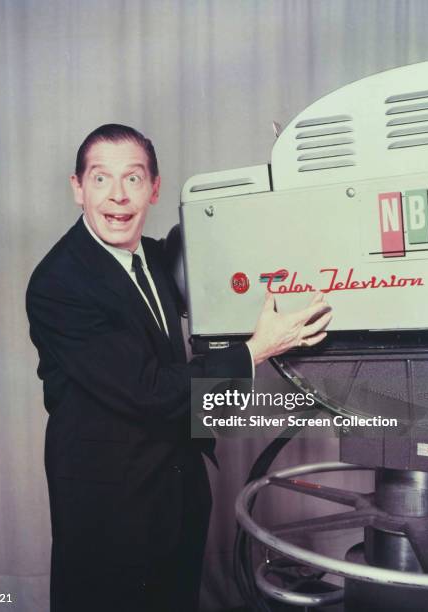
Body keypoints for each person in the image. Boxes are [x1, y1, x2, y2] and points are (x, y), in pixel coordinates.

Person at [26, 123, 331, 612]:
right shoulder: (58, 284)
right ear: (77, 188)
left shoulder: (156, 256)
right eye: (101, 179)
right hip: (110, 501)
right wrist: (258, 349)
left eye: (134, 179)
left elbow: (235, 265)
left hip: (177, 491)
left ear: (155, 188)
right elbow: (147, 390)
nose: (118, 196)